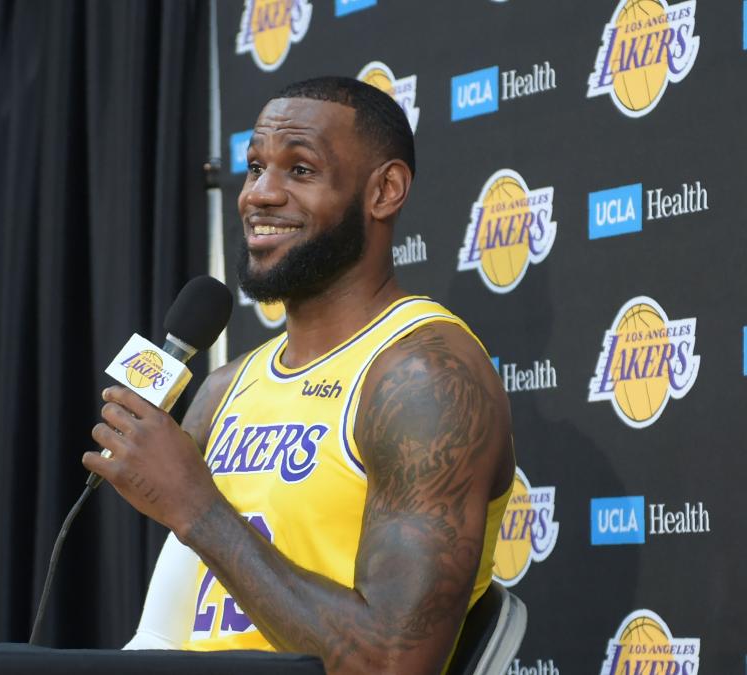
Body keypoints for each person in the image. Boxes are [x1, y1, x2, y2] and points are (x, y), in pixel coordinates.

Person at [84, 76, 515, 675]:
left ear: (384, 191)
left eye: (301, 171)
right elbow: (160, 633)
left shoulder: (421, 378)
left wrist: (197, 507)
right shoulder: (224, 388)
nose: (260, 194)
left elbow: (391, 665)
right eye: (256, 167)